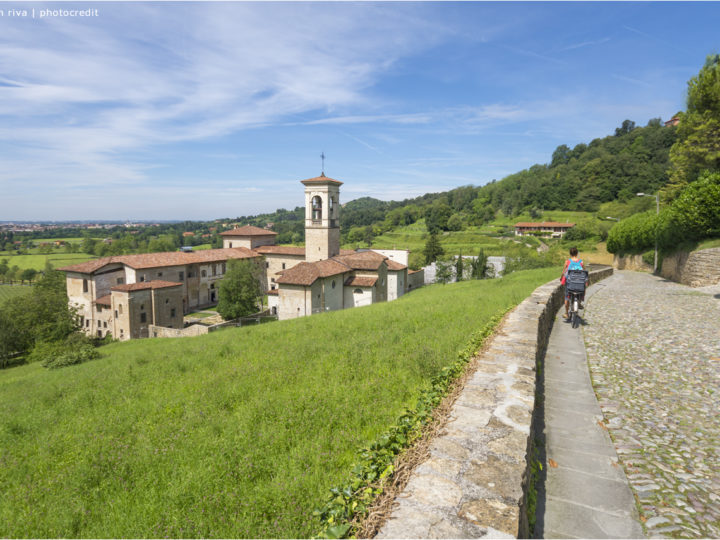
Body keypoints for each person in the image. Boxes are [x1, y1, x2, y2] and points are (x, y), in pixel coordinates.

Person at [560, 246, 588, 319]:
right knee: (583, 289)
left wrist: (561, 278)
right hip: (579, 282)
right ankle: (579, 303)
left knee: (567, 297)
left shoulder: (567, 262)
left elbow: (563, 272)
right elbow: (584, 271)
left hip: (570, 283)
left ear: (570, 254)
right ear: (577, 253)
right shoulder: (581, 262)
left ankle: (566, 313)